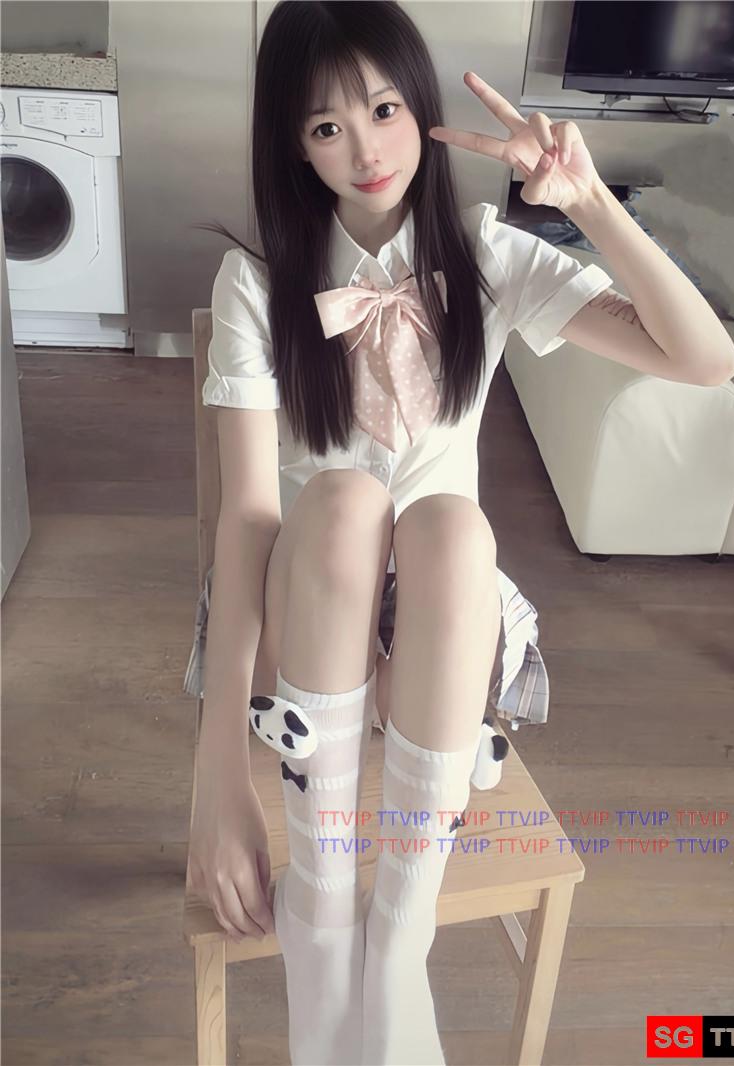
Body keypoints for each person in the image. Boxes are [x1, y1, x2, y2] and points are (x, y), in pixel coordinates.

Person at [183, 2, 653, 1064]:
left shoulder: (486, 256)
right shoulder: (257, 282)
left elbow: (704, 360)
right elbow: (250, 520)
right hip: (308, 608)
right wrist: (216, 779)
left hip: (437, 621)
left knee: (448, 523)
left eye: (385, 109)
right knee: (345, 500)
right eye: (327, 126)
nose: (366, 149)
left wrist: (589, 205)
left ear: (423, 110)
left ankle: (400, 935)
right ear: (294, 146)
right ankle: (321, 907)